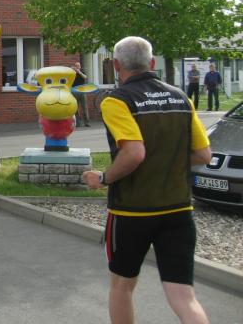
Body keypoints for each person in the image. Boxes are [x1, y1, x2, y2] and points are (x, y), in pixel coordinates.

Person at [82, 36, 211, 324]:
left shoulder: (117, 100)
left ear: (116, 66)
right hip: (178, 209)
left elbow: (134, 153)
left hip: (132, 211)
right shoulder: (181, 97)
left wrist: (103, 177)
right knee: (184, 296)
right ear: (152, 63)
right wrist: (166, 158)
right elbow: (203, 154)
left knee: (121, 287)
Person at [73, 61, 90, 127]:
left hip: (82, 92)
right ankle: (77, 123)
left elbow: (85, 77)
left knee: (84, 107)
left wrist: (79, 72)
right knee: (75, 108)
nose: (77, 67)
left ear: (80, 67)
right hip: (75, 92)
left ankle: (86, 122)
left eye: (78, 66)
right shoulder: (72, 74)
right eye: (76, 66)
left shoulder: (82, 73)